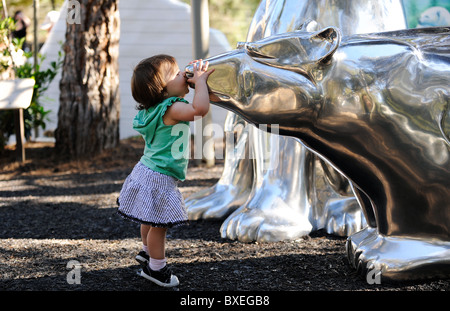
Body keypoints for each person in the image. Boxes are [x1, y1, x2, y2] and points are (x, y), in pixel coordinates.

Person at [117, 54, 214, 287]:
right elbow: (200, 109)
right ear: (162, 90)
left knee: (148, 218)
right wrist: (200, 83)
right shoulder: (172, 107)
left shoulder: (151, 110)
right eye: (176, 74)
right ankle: (156, 269)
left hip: (146, 170)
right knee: (159, 225)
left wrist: (196, 84)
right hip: (159, 176)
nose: (184, 74)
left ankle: (146, 251)